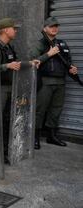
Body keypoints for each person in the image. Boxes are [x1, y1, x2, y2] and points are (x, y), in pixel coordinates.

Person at [29, 17, 78, 149]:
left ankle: (51, 136)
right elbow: (32, 61)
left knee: (56, 110)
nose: (54, 28)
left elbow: (68, 61)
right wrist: (48, 54)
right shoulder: (40, 44)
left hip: (61, 82)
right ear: (45, 28)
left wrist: (72, 68)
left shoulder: (62, 44)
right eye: (51, 26)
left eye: (56, 26)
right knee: (40, 110)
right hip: (45, 82)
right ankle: (35, 137)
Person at [0, 18, 22, 163]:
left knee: (8, 121)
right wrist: (7, 66)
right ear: (6, 30)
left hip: (10, 88)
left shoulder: (9, 47)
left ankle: (5, 152)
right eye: (14, 28)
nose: (16, 31)